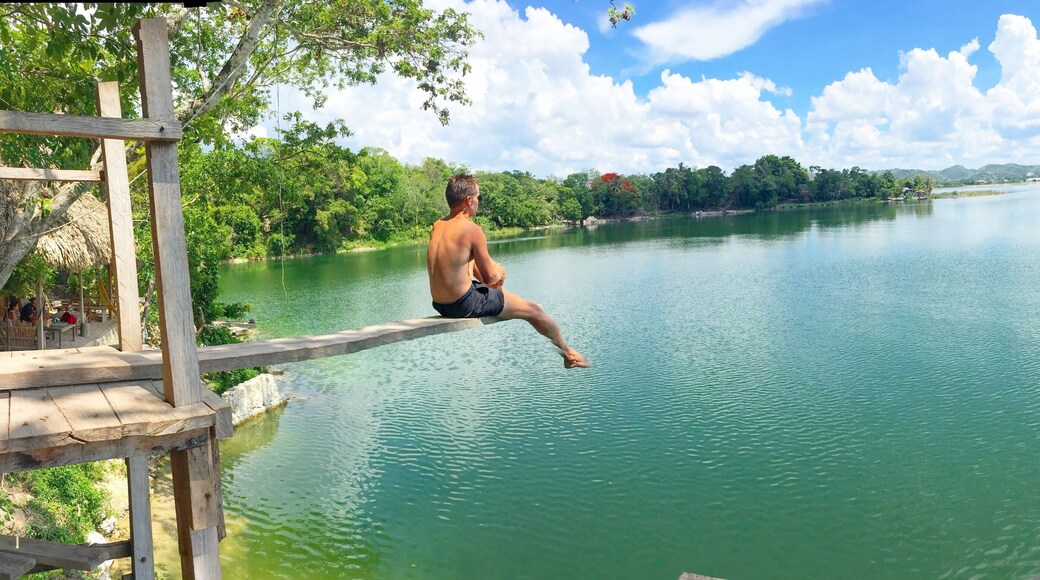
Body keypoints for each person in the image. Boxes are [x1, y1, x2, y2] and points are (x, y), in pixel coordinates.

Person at [427, 174, 590, 369]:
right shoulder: (471, 229)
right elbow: (491, 277)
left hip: (440, 304)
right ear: (468, 200)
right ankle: (569, 354)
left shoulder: (437, 226)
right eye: (479, 197)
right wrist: (499, 271)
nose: (479, 202)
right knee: (534, 309)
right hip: (464, 304)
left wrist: (490, 280)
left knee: (479, 270)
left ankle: (568, 352)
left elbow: (468, 269)